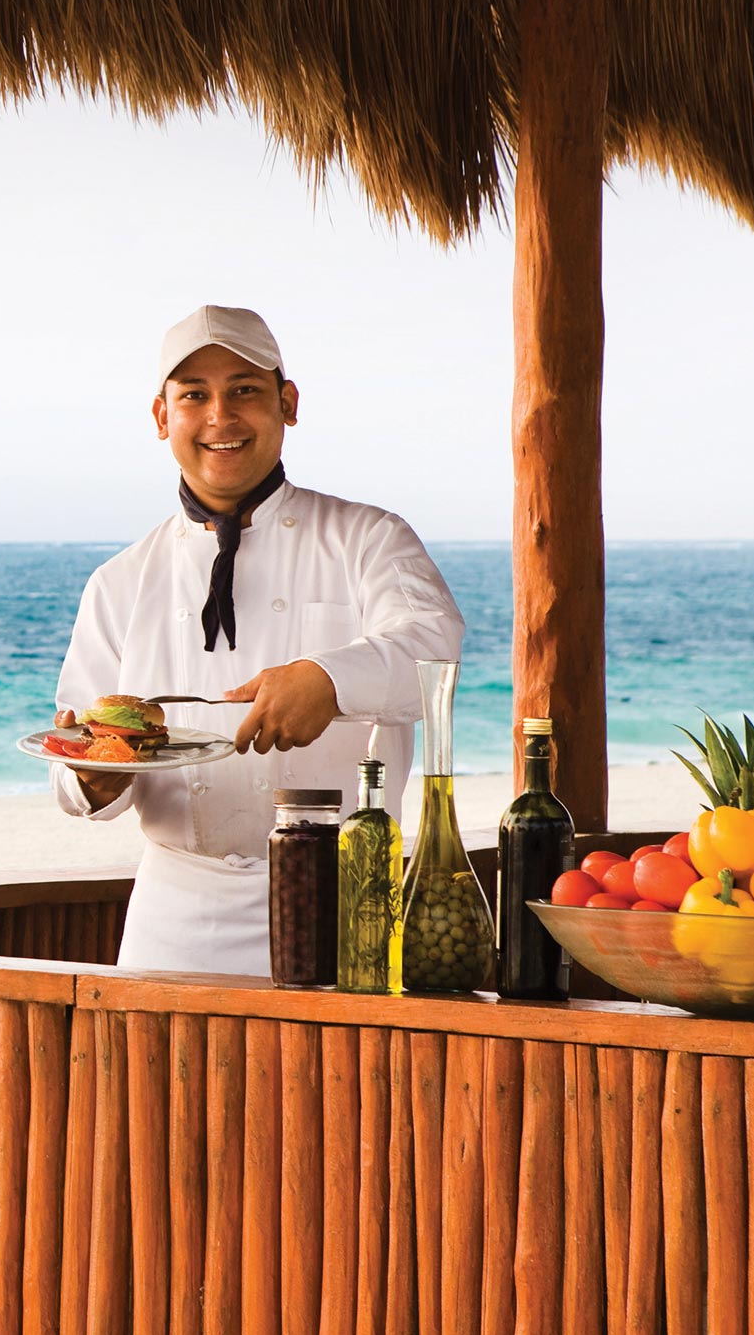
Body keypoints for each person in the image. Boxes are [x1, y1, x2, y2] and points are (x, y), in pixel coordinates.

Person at [53, 305, 465, 975]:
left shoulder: (369, 538)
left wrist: (328, 680)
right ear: (163, 418)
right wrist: (92, 782)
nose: (220, 416)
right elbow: (72, 756)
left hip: (343, 905)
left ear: (287, 403)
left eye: (244, 389)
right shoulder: (120, 580)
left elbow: (433, 645)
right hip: (173, 917)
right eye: (195, 396)